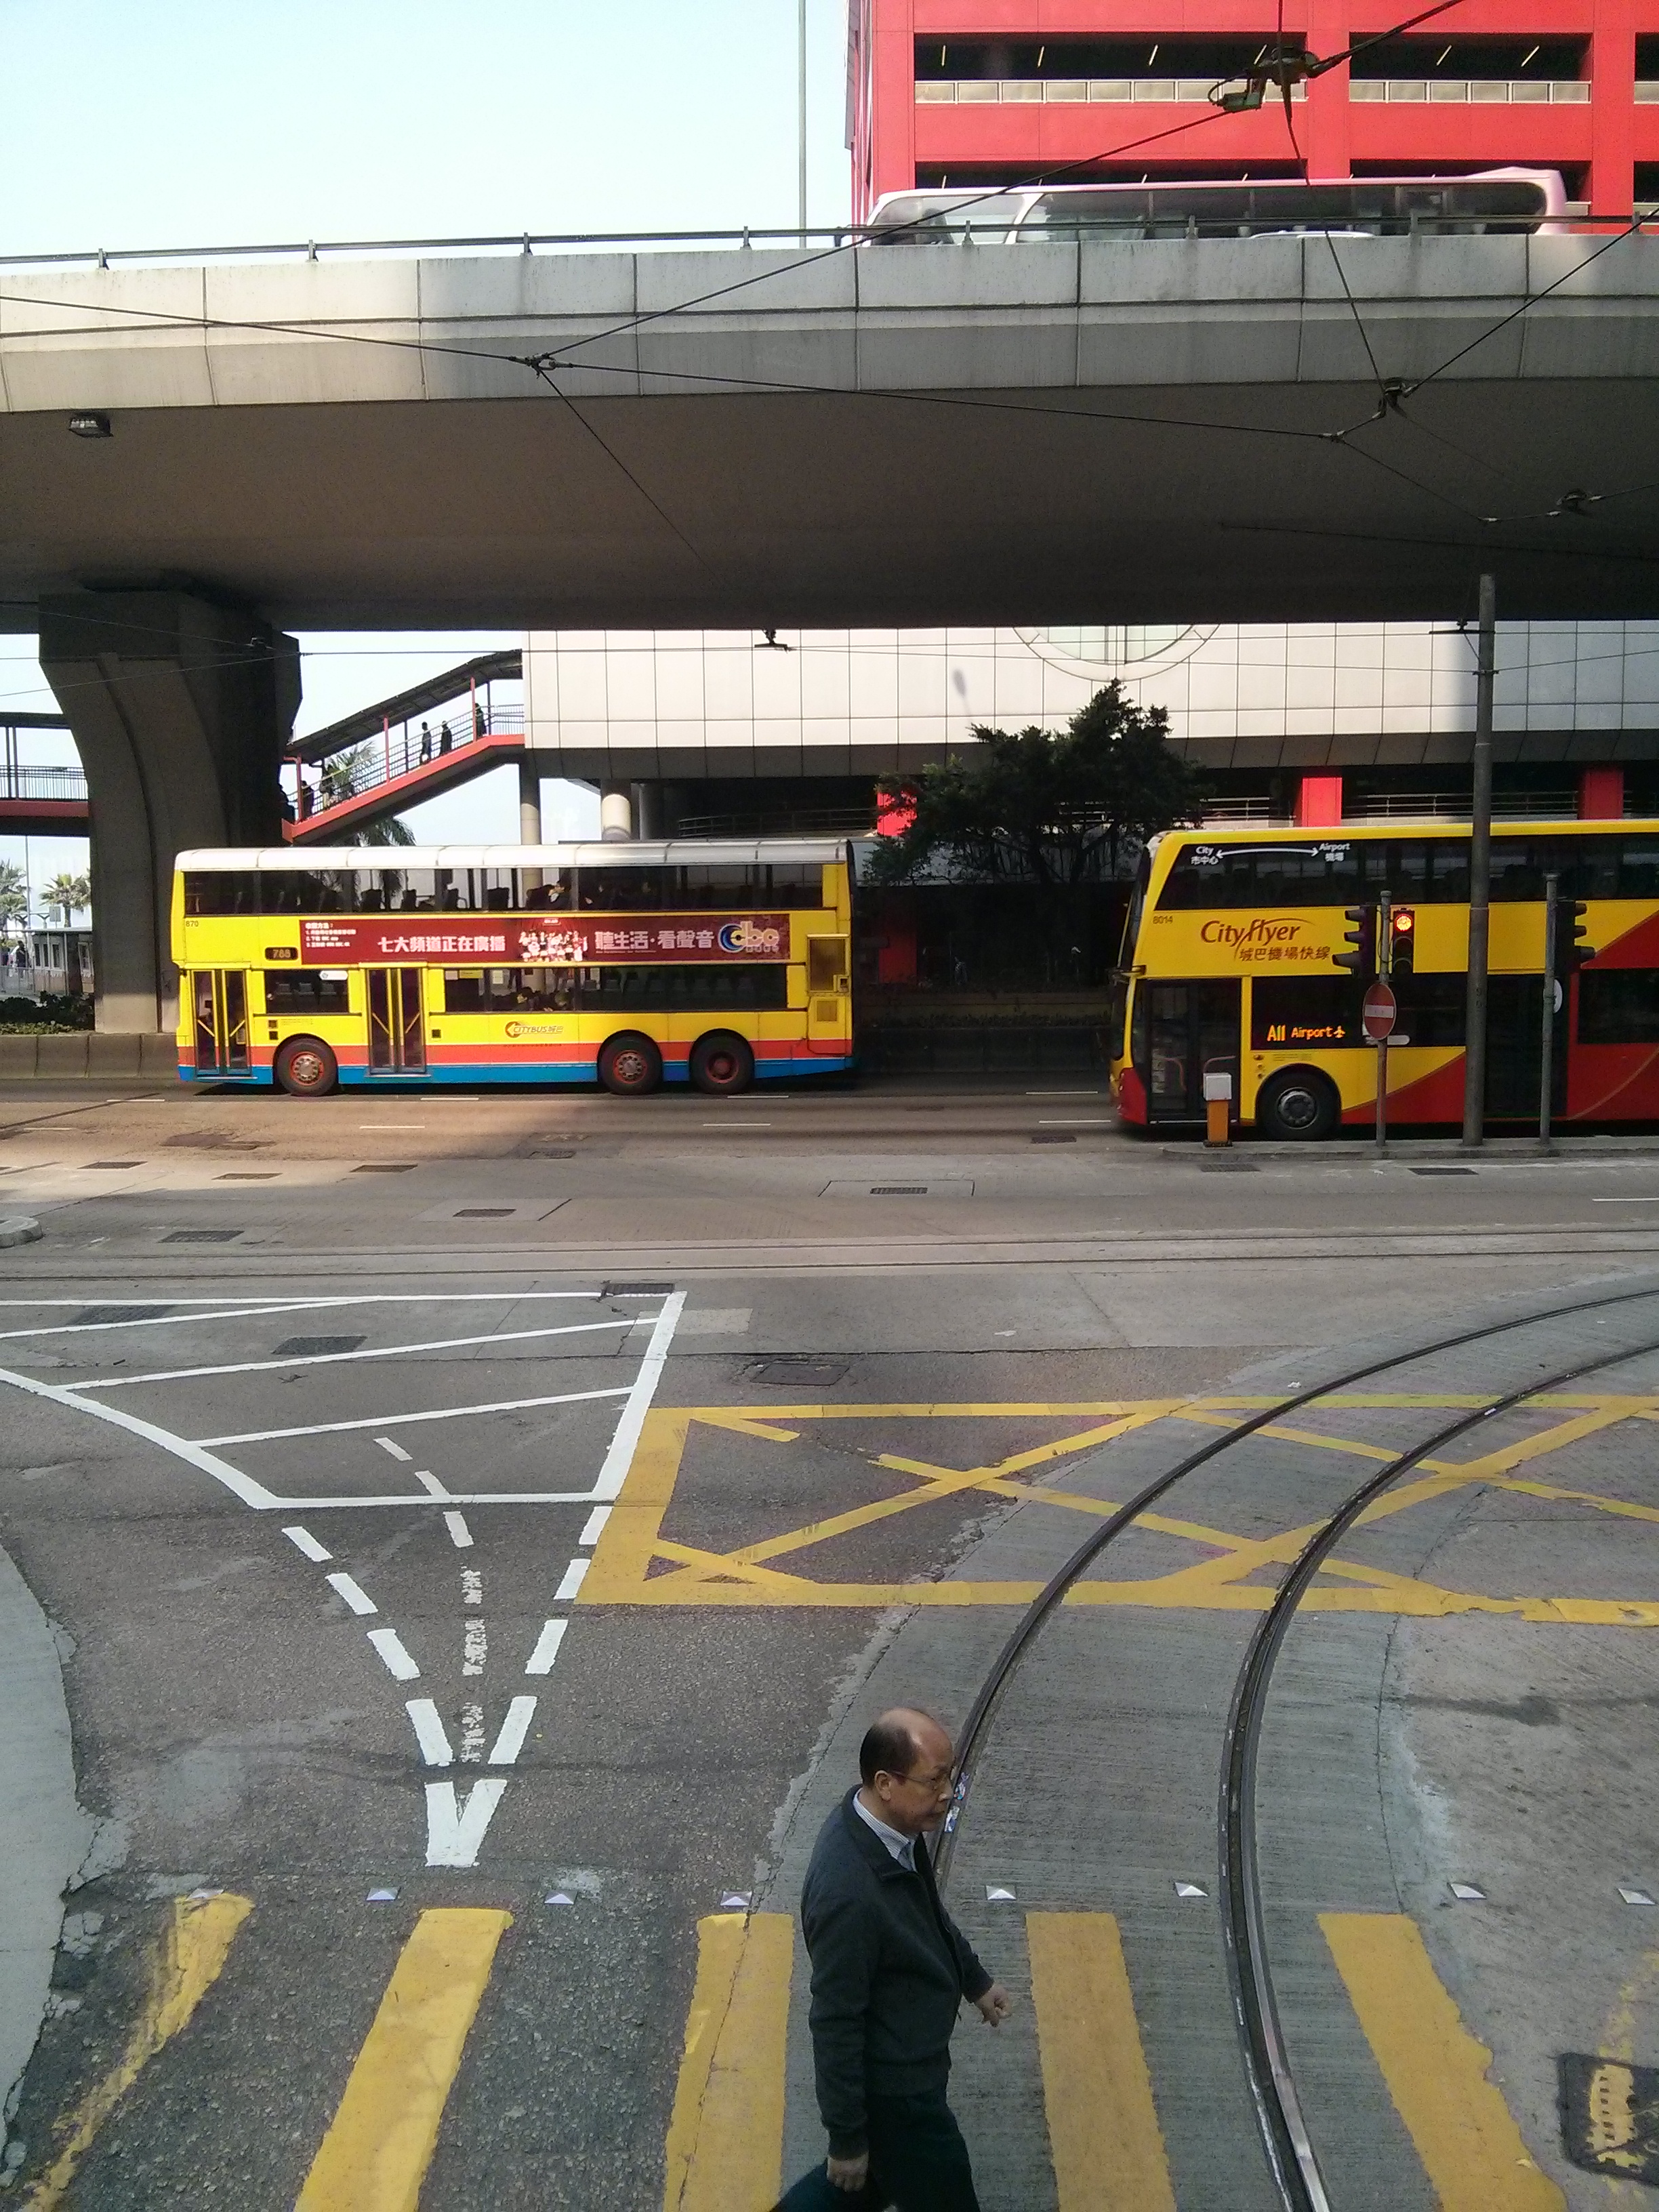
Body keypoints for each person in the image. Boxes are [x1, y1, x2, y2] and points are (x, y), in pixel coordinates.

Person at [777, 1708, 1011, 2211]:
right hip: (900, 2093)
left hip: (911, 2069)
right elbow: (836, 2021)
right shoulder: (849, 1895)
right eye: (934, 1780)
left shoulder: (892, 1830)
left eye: (950, 1776)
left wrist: (974, 1980)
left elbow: (927, 1913)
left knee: (870, 2181)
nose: (948, 1793)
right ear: (885, 1783)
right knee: (927, 2186)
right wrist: (846, 2139)